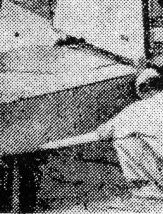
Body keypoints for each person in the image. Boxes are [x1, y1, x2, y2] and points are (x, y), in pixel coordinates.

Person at [41, 69, 163, 201]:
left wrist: (53, 144)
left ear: (142, 89)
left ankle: (147, 189)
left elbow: (100, 135)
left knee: (123, 138)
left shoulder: (137, 109)